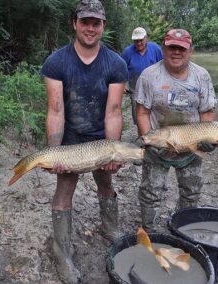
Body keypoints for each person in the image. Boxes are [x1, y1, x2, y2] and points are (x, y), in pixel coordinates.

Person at [40, 0, 128, 282]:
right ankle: (62, 250)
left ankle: (110, 229)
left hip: (101, 137)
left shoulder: (115, 63)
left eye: (96, 23)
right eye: (85, 22)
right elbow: (55, 110)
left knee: (106, 182)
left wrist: (113, 151)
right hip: (71, 138)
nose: (90, 28)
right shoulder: (56, 62)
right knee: (64, 190)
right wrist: (54, 153)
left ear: (103, 26)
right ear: (74, 24)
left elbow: (114, 111)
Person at [134, 29, 217, 232]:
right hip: (159, 142)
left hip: (191, 145)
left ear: (190, 51)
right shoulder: (149, 76)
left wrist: (206, 138)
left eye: (181, 48)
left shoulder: (201, 76)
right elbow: (142, 113)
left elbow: (207, 111)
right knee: (150, 192)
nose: (176, 52)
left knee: (191, 192)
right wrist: (148, 141)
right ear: (163, 48)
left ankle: (183, 229)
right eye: (172, 47)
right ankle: (149, 230)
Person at [122, 27, 162, 125]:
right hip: (135, 87)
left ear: (146, 38)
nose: (139, 43)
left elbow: (163, 64)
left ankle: (156, 132)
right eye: (136, 41)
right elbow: (121, 69)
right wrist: (123, 84)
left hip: (155, 85)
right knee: (138, 112)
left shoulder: (155, 48)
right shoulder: (127, 52)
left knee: (156, 110)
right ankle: (142, 133)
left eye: (141, 40)